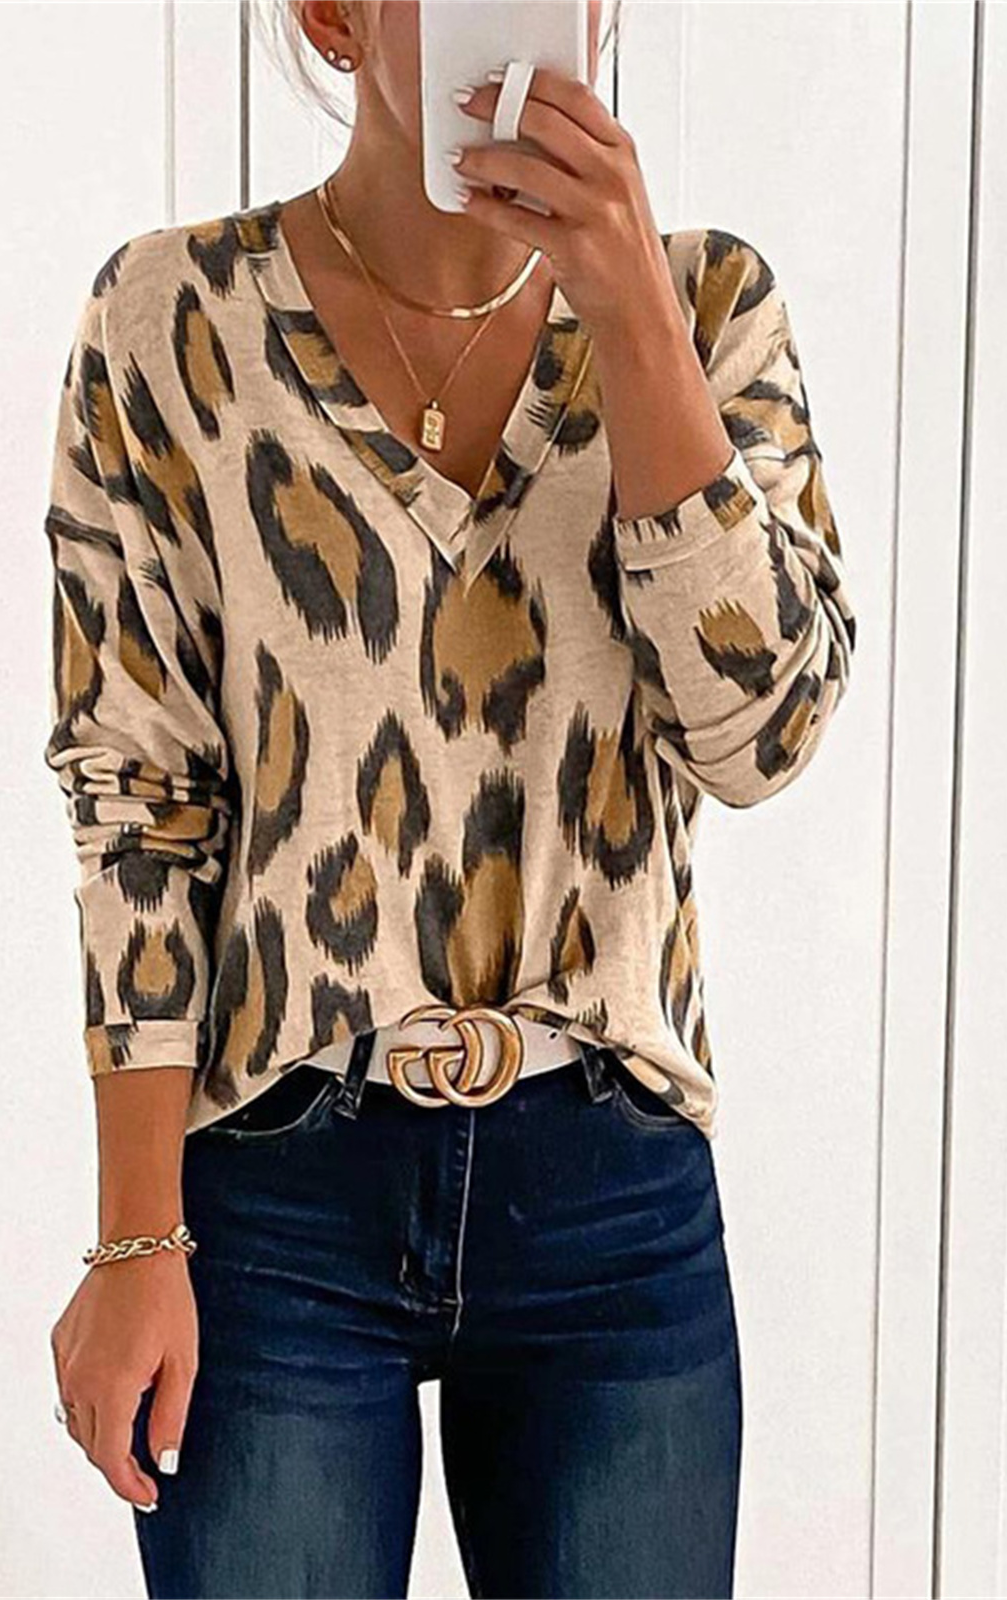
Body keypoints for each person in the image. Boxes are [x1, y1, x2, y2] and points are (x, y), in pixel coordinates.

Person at [43, 2, 856, 1594]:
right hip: (276, 1190)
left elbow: (762, 736)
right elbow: (137, 798)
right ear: (335, 14)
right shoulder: (170, 320)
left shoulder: (707, 304)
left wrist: (631, 319)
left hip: (610, 1188)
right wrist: (136, 1237)